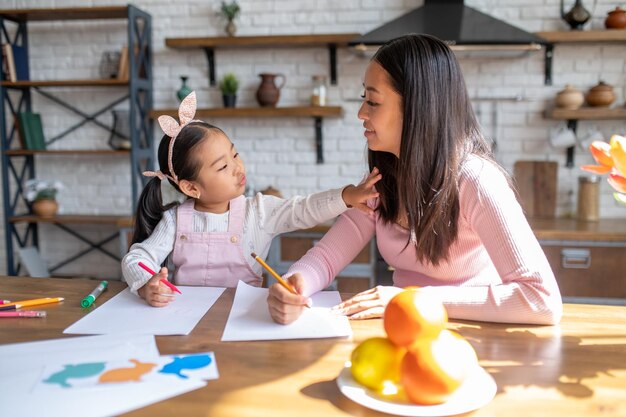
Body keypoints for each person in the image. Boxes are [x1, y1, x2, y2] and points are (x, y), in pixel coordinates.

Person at [267, 34, 563, 326]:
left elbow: (540, 299)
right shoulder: (382, 180)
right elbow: (327, 256)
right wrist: (295, 284)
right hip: (407, 330)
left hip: (472, 338)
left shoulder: (478, 181)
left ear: (416, 107)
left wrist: (410, 299)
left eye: (373, 101)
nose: (361, 113)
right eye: (363, 99)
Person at [122, 92, 381, 307]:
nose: (238, 168)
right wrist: (147, 284)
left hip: (243, 320)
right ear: (191, 187)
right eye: (223, 167)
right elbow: (135, 259)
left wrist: (345, 196)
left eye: (235, 155)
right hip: (186, 325)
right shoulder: (175, 220)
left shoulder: (258, 212)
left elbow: (302, 209)